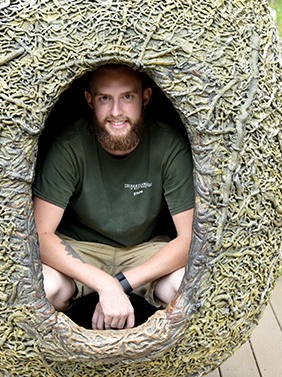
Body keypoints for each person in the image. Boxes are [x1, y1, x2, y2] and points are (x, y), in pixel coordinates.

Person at [32, 64, 194, 330]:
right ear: (89, 100)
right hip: (79, 249)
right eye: (104, 98)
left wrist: (120, 283)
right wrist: (103, 283)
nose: (116, 112)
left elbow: (188, 239)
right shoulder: (69, 146)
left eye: (127, 97)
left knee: (187, 289)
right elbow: (40, 234)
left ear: (146, 97)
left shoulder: (168, 146)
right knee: (44, 288)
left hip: (145, 250)